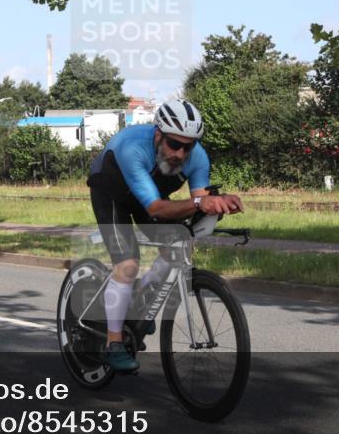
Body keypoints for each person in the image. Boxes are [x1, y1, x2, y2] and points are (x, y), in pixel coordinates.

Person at [87, 99, 243, 372]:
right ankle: (113, 343)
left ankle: (140, 298)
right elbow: (156, 208)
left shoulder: (198, 157)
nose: (180, 154)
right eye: (174, 144)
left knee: (179, 247)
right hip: (111, 192)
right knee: (127, 264)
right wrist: (199, 203)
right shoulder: (133, 148)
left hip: (150, 195)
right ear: (158, 134)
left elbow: (199, 200)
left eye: (188, 146)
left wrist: (219, 203)